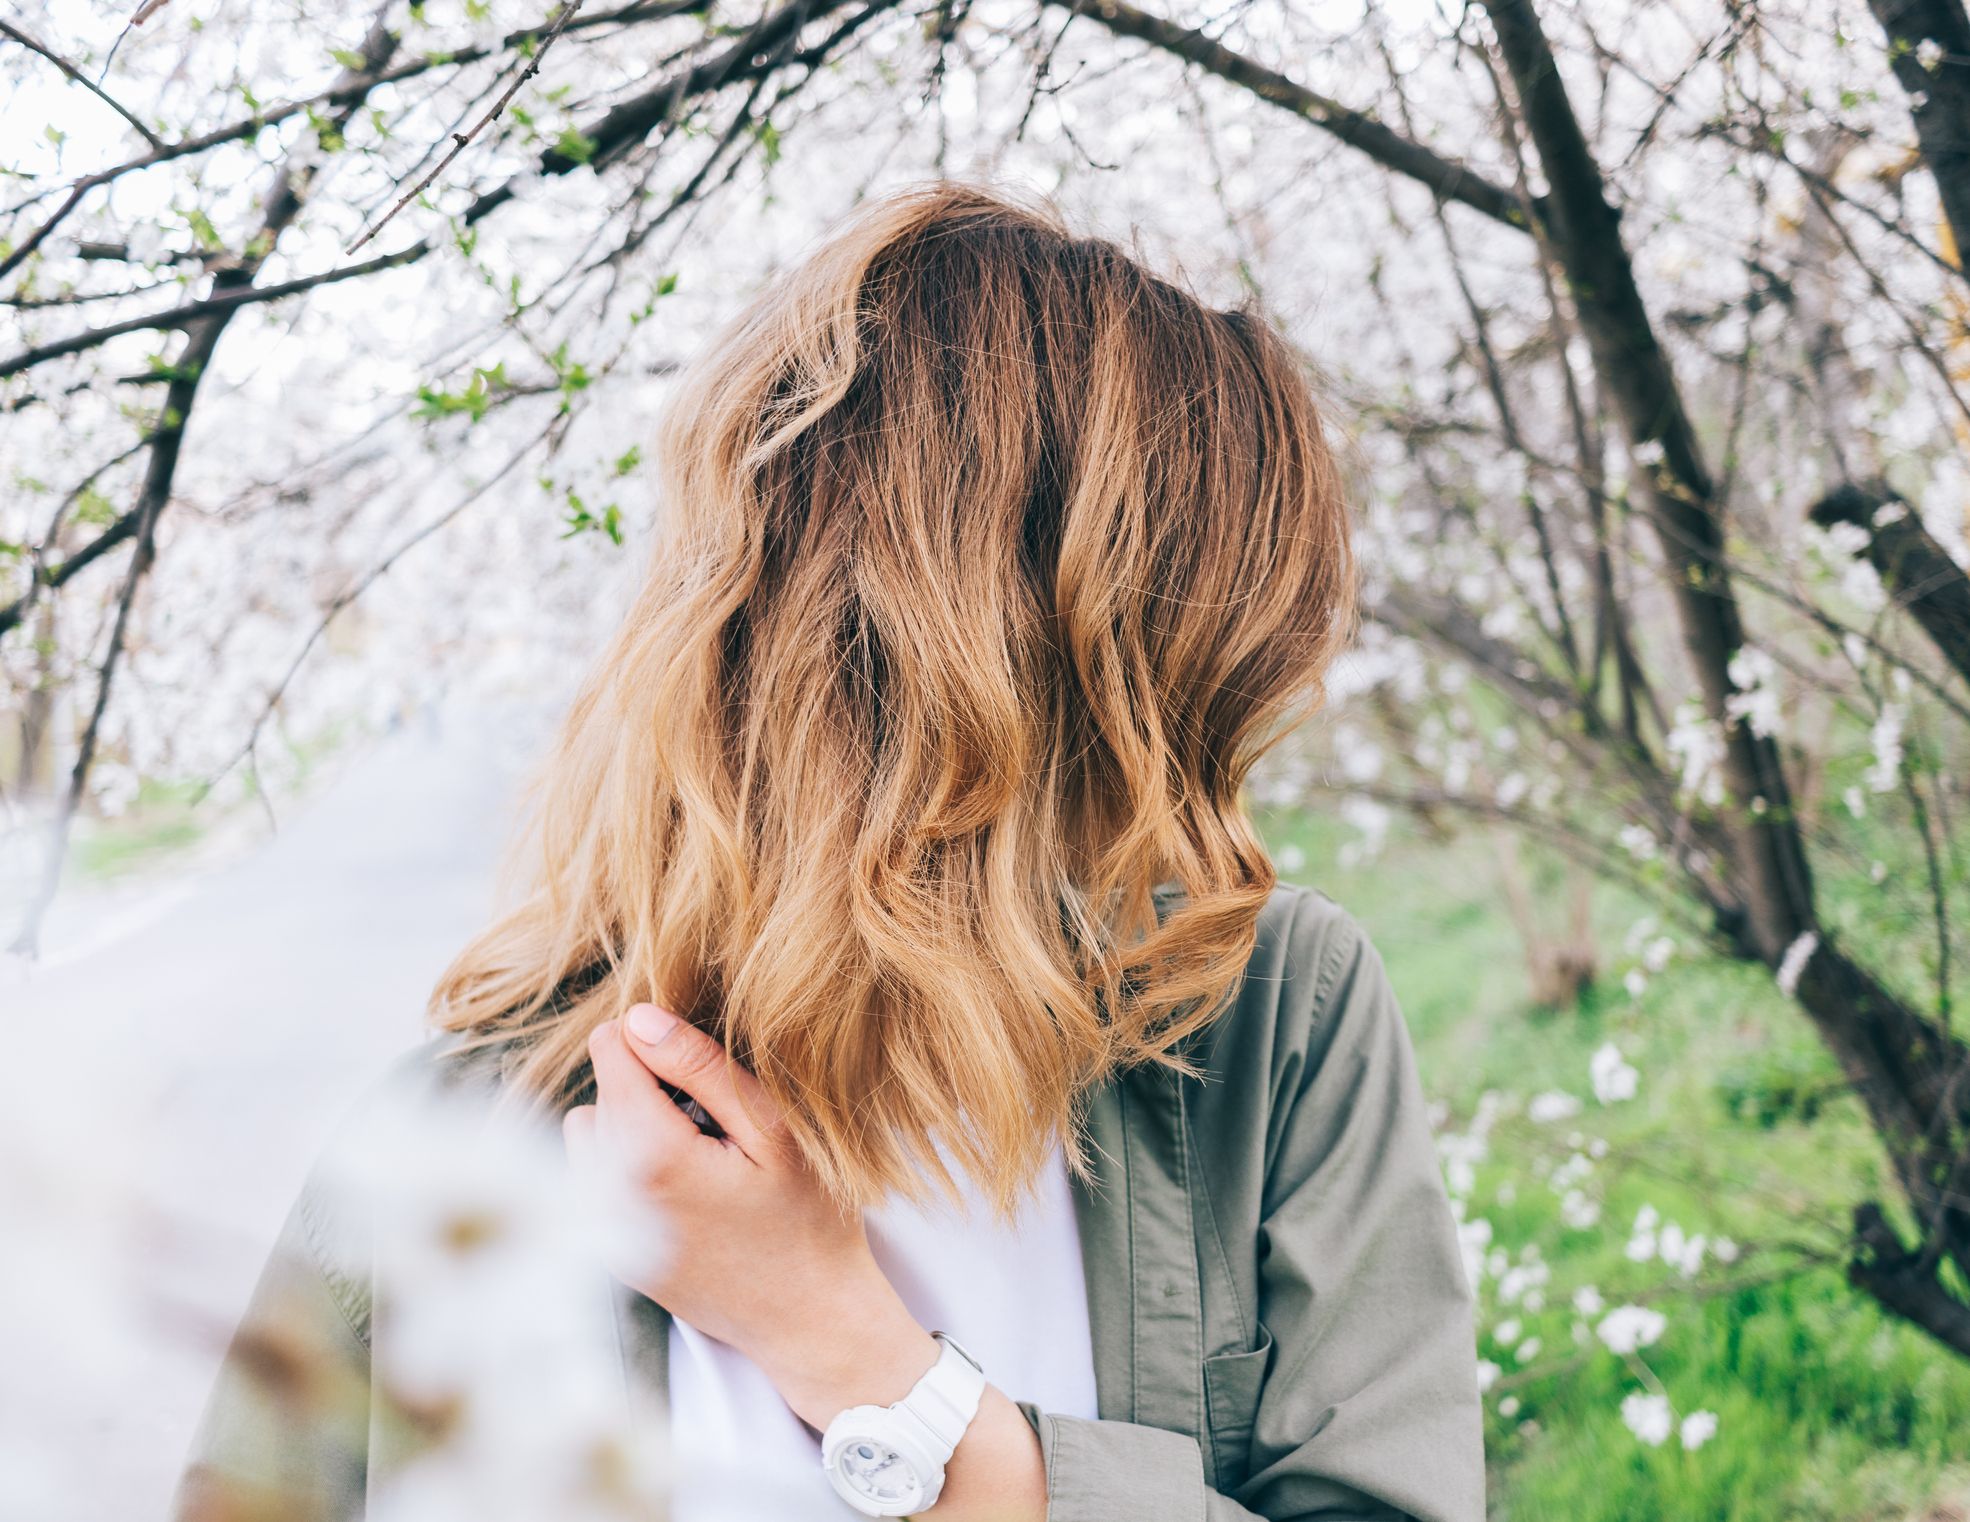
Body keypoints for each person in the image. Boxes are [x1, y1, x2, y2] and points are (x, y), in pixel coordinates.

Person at [171, 182, 1484, 1522]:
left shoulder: (1268, 1021)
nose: (1229, 746)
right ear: (1064, 654)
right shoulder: (449, 1145)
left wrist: (845, 1350)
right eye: (1204, 667)